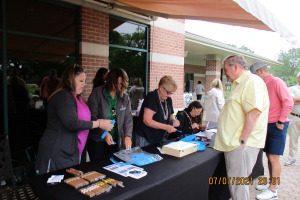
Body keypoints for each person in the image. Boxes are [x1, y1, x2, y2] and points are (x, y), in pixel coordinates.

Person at [35, 64, 113, 174]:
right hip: (58, 152)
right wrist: (99, 123)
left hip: (73, 153)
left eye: (85, 81)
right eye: (81, 81)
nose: (84, 84)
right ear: (70, 79)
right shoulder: (63, 96)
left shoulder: (78, 98)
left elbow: (88, 120)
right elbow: (72, 123)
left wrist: (103, 133)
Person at [214, 55, 269, 200]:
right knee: (237, 186)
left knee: (238, 187)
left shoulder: (251, 81)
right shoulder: (240, 83)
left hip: (241, 145)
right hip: (236, 144)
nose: (224, 73)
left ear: (236, 67)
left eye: (226, 69)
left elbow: (254, 113)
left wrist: (242, 142)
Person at [250, 61, 293, 199]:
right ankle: (271, 183)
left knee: (274, 157)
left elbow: (288, 102)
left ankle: (273, 190)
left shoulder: (276, 82)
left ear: (261, 71)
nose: (253, 77)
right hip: (266, 124)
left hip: (277, 125)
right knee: (269, 156)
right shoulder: (263, 84)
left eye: (254, 74)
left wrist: (280, 121)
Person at [87, 68, 133, 161]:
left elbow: (128, 119)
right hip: (97, 139)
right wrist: (104, 133)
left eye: (122, 84)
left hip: (114, 139)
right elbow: (92, 116)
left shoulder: (125, 97)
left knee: (112, 165)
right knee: (97, 166)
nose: (120, 87)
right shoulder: (97, 92)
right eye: (118, 84)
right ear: (110, 81)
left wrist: (128, 136)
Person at [135, 76, 180, 147]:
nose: (169, 95)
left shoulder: (168, 99)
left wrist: (173, 120)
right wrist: (167, 127)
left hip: (159, 138)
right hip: (146, 137)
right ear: (161, 88)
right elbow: (147, 120)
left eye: (171, 93)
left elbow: (170, 115)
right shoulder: (152, 96)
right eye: (168, 92)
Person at [285, 72, 300, 166]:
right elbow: (291, 100)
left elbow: (295, 100)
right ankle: (292, 158)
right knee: (293, 139)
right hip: (295, 117)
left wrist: (297, 100)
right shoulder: (292, 89)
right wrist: (295, 100)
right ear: (298, 78)